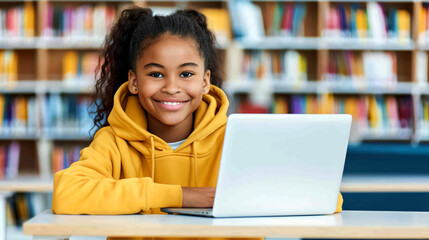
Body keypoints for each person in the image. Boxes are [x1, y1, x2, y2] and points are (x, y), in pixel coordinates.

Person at [51, 7, 343, 240]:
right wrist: (181, 196)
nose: (172, 87)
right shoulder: (114, 141)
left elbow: (323, 197)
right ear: (134, 81)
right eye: (156, 74)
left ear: (205, 81)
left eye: (186, 74)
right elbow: (66, 194)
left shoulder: (237, 141)